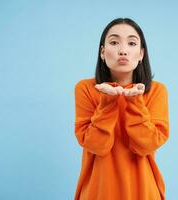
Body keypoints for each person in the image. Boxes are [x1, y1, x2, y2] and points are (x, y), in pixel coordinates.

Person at [73, 17, 170, 200]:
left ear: (141, 54)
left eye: (132, 43)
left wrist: (134, 100)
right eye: (114, 42)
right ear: (102, 52)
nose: (123, 50)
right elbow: (96, 146)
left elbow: (146, 145)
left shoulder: (156, 91)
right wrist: (108, 101)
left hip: (144, 190)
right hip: (98, 190)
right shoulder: (85, 89)